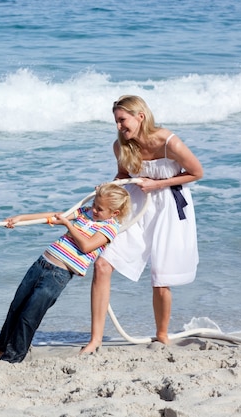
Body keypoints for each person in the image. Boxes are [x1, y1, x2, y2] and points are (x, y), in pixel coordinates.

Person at [80, 95, 203, 355]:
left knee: (161, 279)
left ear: (140, 117)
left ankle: (162, 336)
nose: (118, 127)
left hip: (169, 206)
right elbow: (125, 176)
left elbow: (196, 172)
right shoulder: (121, 146)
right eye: (115, 121)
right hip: (135, 206)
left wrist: (156, 184)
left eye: (122, 120)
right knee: (102, 264)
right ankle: (95, 340)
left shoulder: (167, 141)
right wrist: (109, 187)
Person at [0, 183, 131, 363]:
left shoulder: (109, 228)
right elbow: (55, 216)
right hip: (41, 263)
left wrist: (68, 225)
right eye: (95, 204)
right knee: (16, 306)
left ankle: (12, 358)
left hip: (58, 275)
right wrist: (21, 218)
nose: (94, 210)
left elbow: (86, 246)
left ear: (115, 213)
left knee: (30, 315)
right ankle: (1, 347)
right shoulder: (85, 212)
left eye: (100, 209)